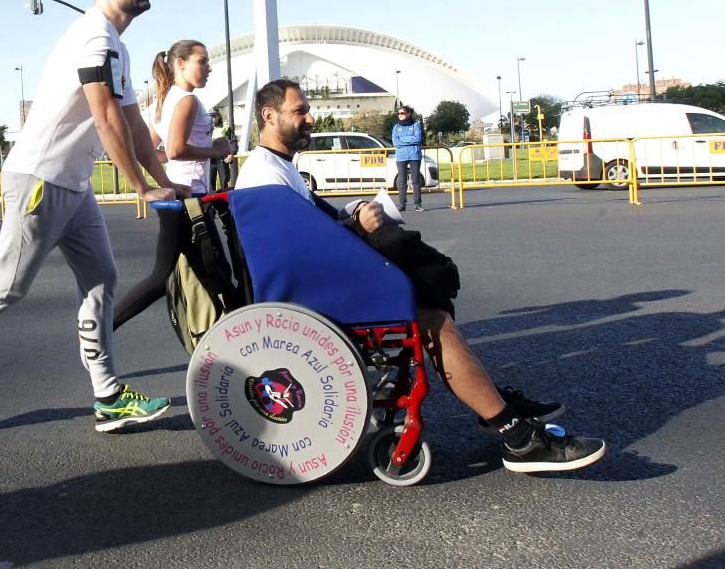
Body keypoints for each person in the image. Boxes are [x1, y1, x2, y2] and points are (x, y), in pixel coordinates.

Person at [236, 79, 606, 473]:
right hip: (311, 297)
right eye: (300, 111)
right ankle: (515, 436)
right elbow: (302, 248)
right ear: (269, 115)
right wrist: (355, 226)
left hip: (314, 286)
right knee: (432, 317)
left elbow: (312, 226)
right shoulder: (264, 175)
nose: (310, 118)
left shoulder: (276, 169)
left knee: (430, 301)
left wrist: (357, 212)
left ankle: (495, 404)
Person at [0, 0, 188, 437]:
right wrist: (140, 185)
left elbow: (133, 123)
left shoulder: (117, 47)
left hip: (73, 184)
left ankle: (108, 398)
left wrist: (160, 174)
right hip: (39, 178)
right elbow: (104, 118)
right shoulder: (93, 37)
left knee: (102, 278)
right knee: (8, 285)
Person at [112, 40, 234, 331]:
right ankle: (100, 328)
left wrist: (168, 173)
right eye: (202, 61)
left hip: (185, 196)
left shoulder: (165, 101)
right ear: (181, 64)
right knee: (164, 278)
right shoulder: (187, 101)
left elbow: (153, 150)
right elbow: (177, 149)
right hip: (189, 199)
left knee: (215, 274)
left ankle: (234, 340)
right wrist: (216, 149)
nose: (209, 68)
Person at [391, 104, 424, 212]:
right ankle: (402, 204)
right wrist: (410, 139)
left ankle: (417, 204)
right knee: (402, 181)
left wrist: (403, 139)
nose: (400, 115)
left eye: (402, 113)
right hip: (401, 156)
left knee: (415, 180)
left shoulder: (416, 125)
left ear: (408, 114)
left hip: (414, 155)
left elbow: (417, 139)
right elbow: (396, 142)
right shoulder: (396, 127)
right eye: (399, 113)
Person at [209, 111, 232, 191]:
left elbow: (233, 141)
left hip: (222, 160)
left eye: (213, 116)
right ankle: (211, 203)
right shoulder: (206, 129)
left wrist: (231, 154)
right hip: (209, 160)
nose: (212, 119)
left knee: (224, 183)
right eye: (210, 116)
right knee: (210, 184)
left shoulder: (225, 128)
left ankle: (225, 202)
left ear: (218, 117)